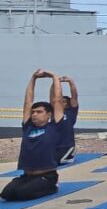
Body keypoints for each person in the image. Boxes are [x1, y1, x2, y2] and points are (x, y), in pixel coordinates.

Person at [1, 70, 65, 201]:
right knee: (6, 195)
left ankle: (53, 186)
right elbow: (28, 101)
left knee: (23, 194)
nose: (34, 114)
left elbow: (57, 100)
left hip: (47, 175)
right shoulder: (28, 127)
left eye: (39, 112)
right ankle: (26, 186)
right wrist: (33, 78)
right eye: (33, 112)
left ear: (49, 114)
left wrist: (54, 77)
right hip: (26, 176)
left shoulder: (54, 127)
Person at [54, 74, 79, 164]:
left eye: (63, 102)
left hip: (67, 145)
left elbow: (74, 96)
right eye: (60, 101)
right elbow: (54, 97)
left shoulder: (71, 111)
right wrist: (55, 82)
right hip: (55, 145)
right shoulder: (54, 112)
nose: (61, 103)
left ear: (68, 104)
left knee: (61, 161)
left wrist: (70, 82)